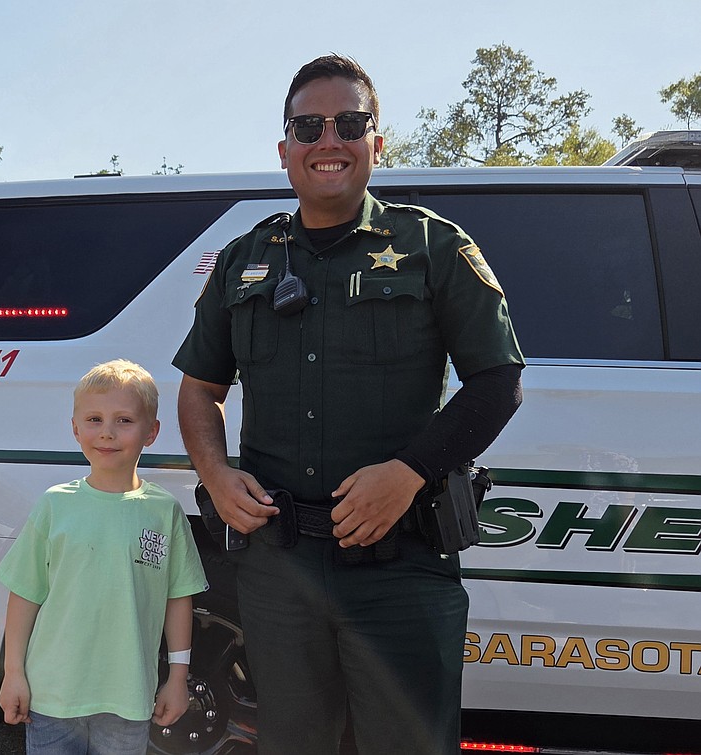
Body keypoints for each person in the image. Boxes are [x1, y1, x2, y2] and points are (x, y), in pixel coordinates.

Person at [173, 54, 524, 755]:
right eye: (309, 125)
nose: (328, 139)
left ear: (376, 142)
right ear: (285, 149)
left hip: (402, 567)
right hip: (280, 568)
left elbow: (498, 381)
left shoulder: (431, 246)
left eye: (349, 123)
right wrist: (214, 474)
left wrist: (410, 471)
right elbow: (199, 390)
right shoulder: (246, 258)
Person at [0, 359, 208, 755]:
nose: (107, 433)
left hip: (127, 699)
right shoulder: (54, 506)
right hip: (52, 696)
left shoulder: (164, 512)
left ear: (152, 432)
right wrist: (13, 673)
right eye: (94, 419)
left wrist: (178, 677)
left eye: (124, 420)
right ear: (75, 428)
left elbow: (177, 598)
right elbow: (25, 594)